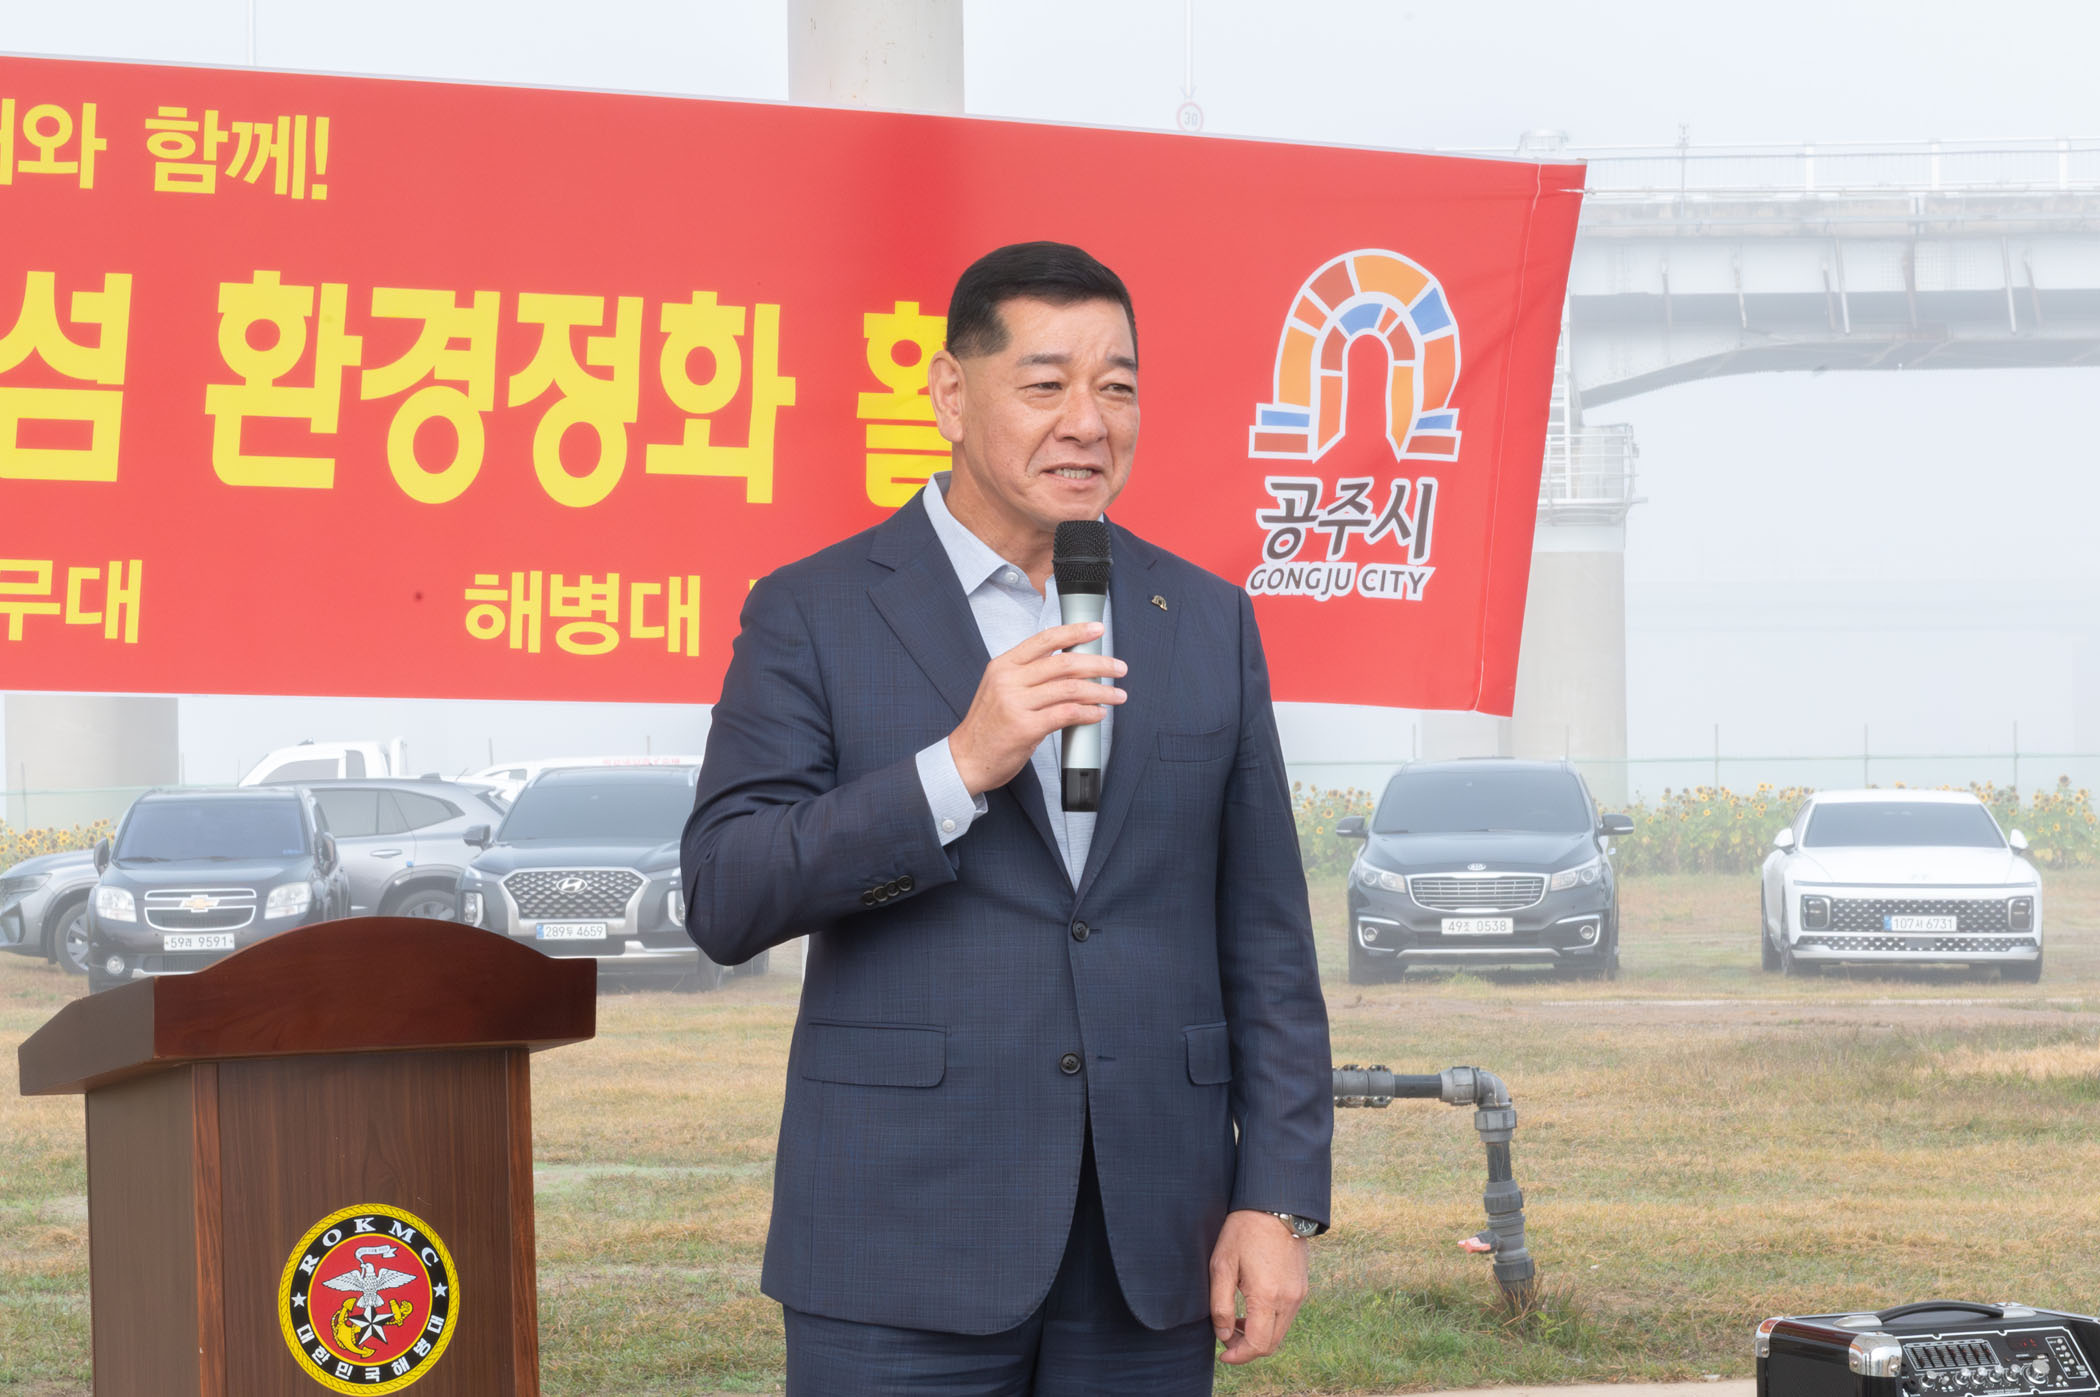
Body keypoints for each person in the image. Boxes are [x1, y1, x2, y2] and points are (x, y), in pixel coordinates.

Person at [683, 240, 1332, 1396]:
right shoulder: (814, 610)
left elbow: (1268, 941)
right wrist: (955, 767)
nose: (1087, 421)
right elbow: (728, 892)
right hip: (899, 1243)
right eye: (1046, 384)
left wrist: (1276, 1197)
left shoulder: (1205, 619)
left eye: (1117, 386)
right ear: (950, 394)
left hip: (1149, 1247)